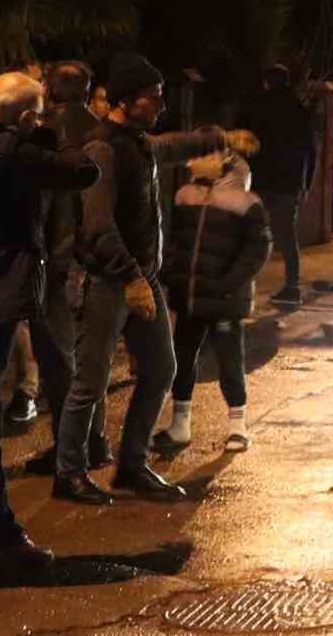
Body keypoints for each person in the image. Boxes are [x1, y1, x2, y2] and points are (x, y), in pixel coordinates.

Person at [54, 53, 253, 506]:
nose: (161, 105)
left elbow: (174, 145)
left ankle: (131, 466)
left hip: (139, 279)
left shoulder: (139, 142)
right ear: (128, 100)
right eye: (153, 97)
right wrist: (131, 279)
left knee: (162, 367)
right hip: (107, 282)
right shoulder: (102, 148)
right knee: (90, 381)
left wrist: (220, 138)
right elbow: (98, 227)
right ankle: (69, 473)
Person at [0, 70, 99, 574]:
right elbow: (82, 171)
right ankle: (7, 542)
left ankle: (6, 538)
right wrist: (54, 129)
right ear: (28, 113)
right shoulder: (19, 152)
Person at [153, 150, 271, 457]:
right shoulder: (186, 195)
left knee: (229, 359)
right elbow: (176, 240)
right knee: (183, 357)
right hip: (190, 294)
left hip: (224, 299)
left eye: (206, 155)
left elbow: (258, 249)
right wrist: (171, 274)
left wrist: (228, 285)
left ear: (224, 164)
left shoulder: (246, 203)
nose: (194, 160)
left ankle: (238, 426)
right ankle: (180, 425)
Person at [24, 60, 110, 476]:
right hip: (95, 257)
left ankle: (70, 447)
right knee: (91, 353)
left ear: (52, 89)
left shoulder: (42, 132)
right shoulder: (103, 130)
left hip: (55, 260)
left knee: (58, 358)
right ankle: (95, 441)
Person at [236, 65, 314, 307]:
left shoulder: (256, 106)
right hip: (289, 183)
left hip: (260, 180)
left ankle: (240, 286)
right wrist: (306, 183)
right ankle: (292, 287)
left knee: (249, 233)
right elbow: (310, 150)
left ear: (267, 82)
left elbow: (243, 142)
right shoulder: (299, 109)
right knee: (286, 235)